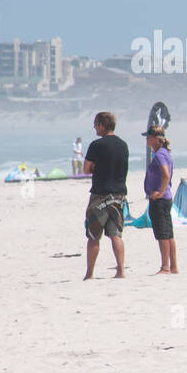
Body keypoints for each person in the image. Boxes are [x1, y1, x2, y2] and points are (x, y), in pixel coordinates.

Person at [82, 112, 129, 280]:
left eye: (96, 124)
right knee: (116, 234)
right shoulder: (123, 145)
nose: (94, 127)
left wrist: (97, 168)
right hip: (118, 195)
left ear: (103, 124)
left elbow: (86, 169)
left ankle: (89, 274)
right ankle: (121, 270)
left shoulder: (96, 145)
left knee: (94, 236)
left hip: (100, 195)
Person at [142, 125, 177, 275]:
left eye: (149, 137)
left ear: (156, 139)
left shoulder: (160, 155)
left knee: (162, 234)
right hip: (165, 198)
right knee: (168, 234)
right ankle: (173, 266)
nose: (147, 140)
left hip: (161, 199)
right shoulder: (164, 153)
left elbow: (165, 174)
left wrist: (160, 192)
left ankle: (165, 267)